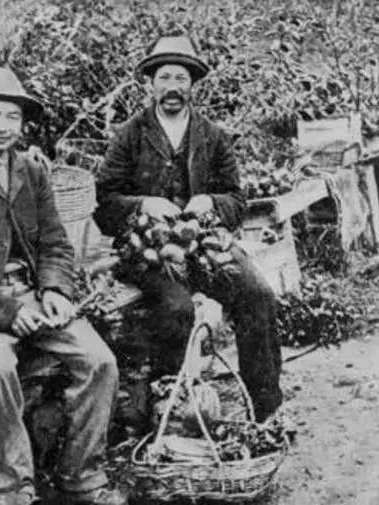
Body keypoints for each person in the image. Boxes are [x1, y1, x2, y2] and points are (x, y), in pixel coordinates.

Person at [0, 64, 126, 505]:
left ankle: (79, 475)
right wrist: (9, 312)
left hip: (29, 296)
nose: (1, 127)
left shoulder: (31, 172)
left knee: (99, 361)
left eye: (11, 118)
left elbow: (55, 243)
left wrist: (53, 290)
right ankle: (12, 491)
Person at [94, 36, 282, 424]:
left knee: (258, 295)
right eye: (164, 76)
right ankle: (171, 410)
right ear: (150, 83)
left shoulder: (212, 136)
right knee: (175, 308)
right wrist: (143, 205)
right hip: (149, 253)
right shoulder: (130, 135)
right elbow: (105, 202)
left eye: (181, 77)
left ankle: (266, 409)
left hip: (205, 247)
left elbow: (237, 200)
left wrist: (211, 202)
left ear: (193, 84)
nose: (173, 86)